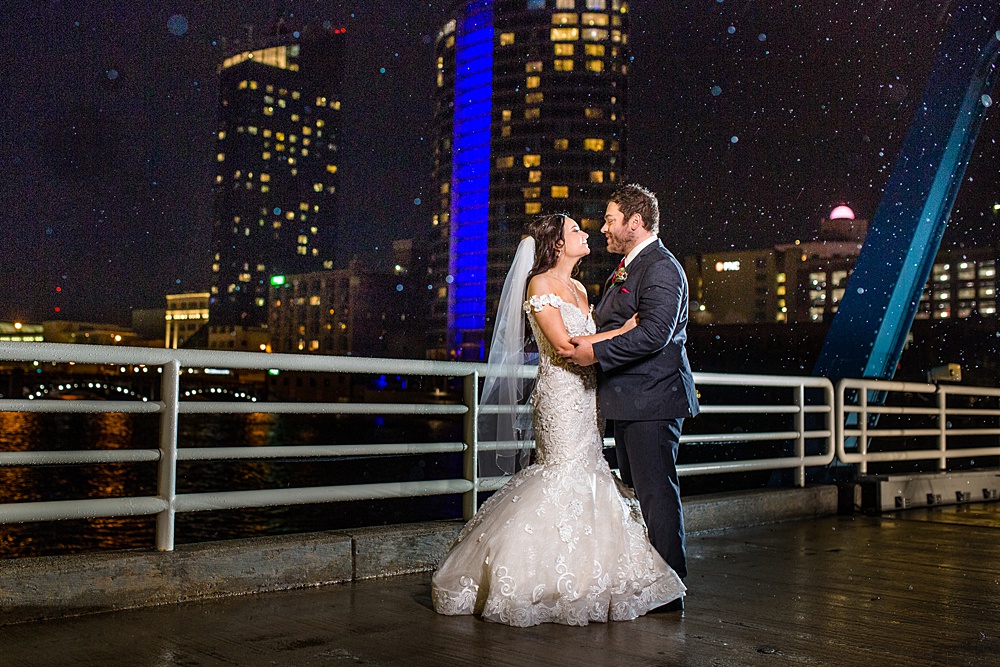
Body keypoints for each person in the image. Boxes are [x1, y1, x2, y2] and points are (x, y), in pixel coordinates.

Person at [431, 213, 685, 627]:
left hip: (590, 399)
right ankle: (532, 575)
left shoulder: (583, 288)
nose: (588, 234)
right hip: (561, 394)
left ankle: (588, 575)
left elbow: (594, 341)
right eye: (576, 231)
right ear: (556, 245)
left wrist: (621, 334)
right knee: (561, 473)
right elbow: (565, 346)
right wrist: (626, 330)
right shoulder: (541, 285)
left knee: (591, 475)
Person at [559, 184, 700, 613]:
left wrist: (594, 352)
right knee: (641, 493)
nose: (604, 227)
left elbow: (656, 333)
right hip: (632, 402)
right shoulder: (630, 267)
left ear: (634, 223)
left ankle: (670, 587)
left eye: (610, 219)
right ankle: (651, 580)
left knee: (656, 495)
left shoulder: (661, 268)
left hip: (652, 402)